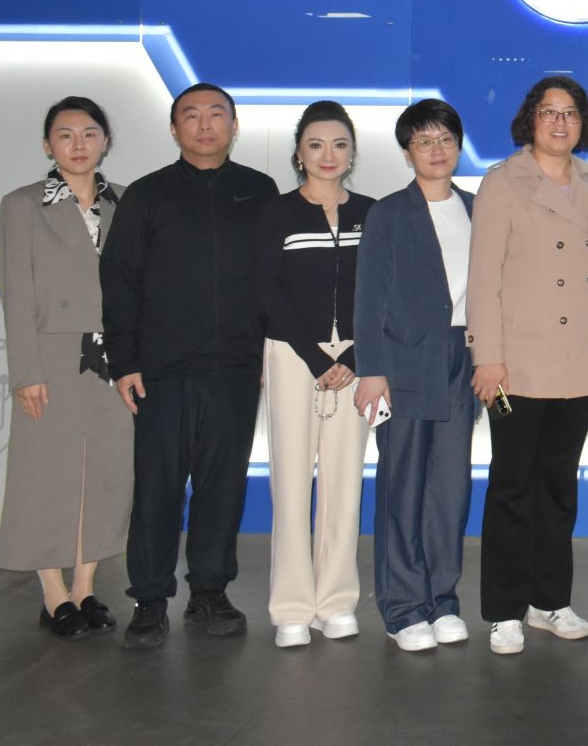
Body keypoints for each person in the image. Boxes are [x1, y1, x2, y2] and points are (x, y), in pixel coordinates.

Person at [101, 81, 279, 650]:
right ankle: (150, 599)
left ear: (234, 125)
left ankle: (209, 590)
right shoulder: (147, 195)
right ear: (174, 128)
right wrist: (125, 362)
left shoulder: (260, 190)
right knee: (157, 488)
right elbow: (120, 281)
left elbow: (275, 279)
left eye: (216, 114)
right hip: (162, 371)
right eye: (192, 115)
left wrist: (270, 351)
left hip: (235, 369)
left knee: (222, 487)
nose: (205, 125)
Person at [468, 76, 588, 656]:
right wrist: (487, 357)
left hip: (577, 358)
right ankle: (504, 609)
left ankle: (550, 600)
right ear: (530, 119)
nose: (559, 122)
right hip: (517, 365)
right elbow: (483, 278)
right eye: (548, 112)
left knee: (558, 485)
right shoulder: (502, 182)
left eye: (569, 112)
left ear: (583, 122)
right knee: (512, 485)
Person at [0, 97, 133, 638]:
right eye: (65, 134)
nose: (79, 144)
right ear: (47, 144)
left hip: (116, 358)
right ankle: (53, 593)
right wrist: (25, 371)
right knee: (45, 473)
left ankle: (86, 588)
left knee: (107, 471)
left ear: (106, 141)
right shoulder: (23, 204)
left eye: (90, 133)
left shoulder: (126, 202)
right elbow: (16, 292)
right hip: (51, 356)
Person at [354, 99, 479, 653]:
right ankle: (403, 608)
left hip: (462, 357)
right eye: (424, 141)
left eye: (445, 139)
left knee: (451, 488)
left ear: (459, 146)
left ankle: (442, 599)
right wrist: (371, 370)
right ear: (407, 152)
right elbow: (369, 298)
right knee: (402, 486)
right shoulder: (388, 213)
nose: (436, 149)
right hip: (404, 361)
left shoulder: (477, 208)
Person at [255, 101, 375, 648]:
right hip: (290, 356)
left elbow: (383, 291)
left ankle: (336, 601)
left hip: (356, 361)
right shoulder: (276, 213)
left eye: (340, 145)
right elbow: (267, 290)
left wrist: (354, 356)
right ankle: (292, 607)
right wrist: (316, 358)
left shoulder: (373, 213)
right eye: (316, 144)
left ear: (352, 153)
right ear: (299, 153)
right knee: (290, 481)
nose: (329, 155)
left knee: (345, 482)